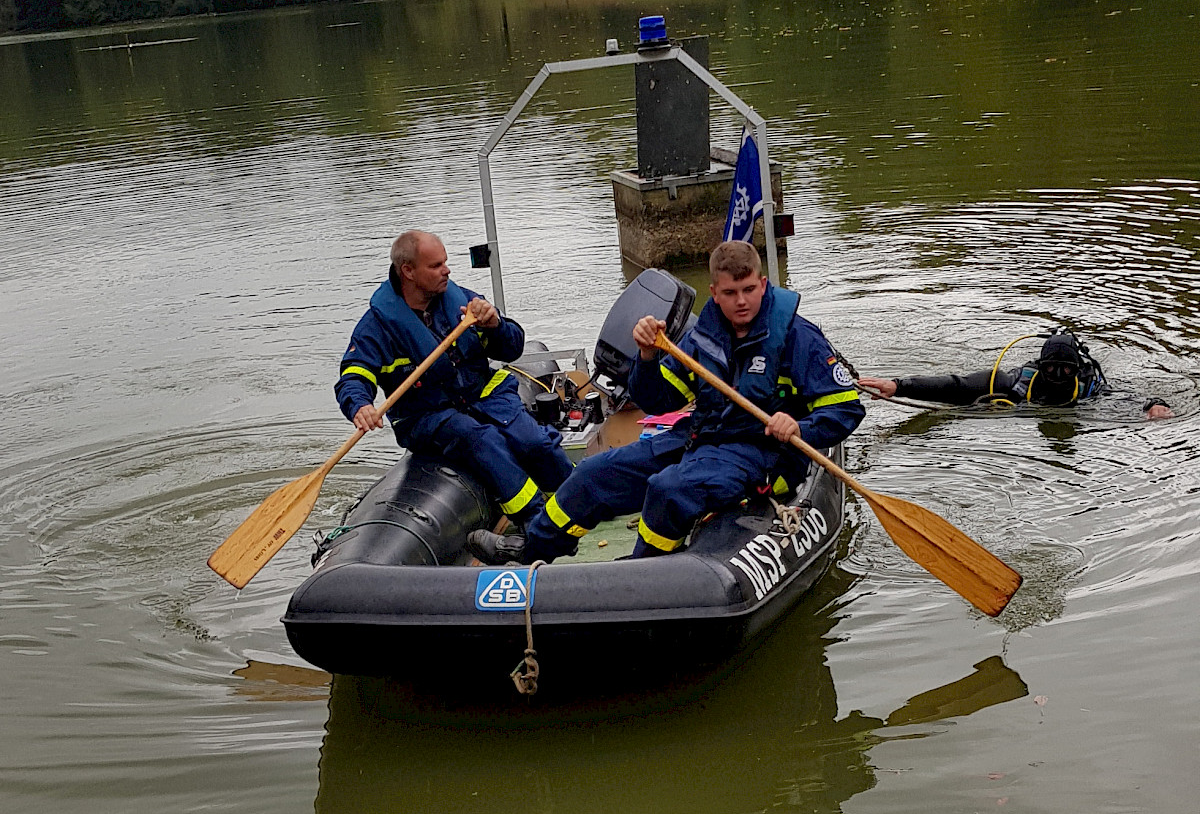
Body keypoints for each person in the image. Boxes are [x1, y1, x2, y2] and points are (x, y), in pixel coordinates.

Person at [468, 239, 864, 564]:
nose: (741, 301)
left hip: (764, 453)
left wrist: (800, 427)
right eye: (730, 293)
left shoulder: (797, 337)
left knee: (668, 489)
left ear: (763, 285)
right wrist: (646, 356)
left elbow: (847, 407)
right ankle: (531, 550)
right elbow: (657, 401)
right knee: (594, 473)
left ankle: (642, 572)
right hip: (700, 438)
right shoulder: (703, 336)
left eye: (749, 290)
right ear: (715, 293)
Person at [335, 229, 572, 524]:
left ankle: (575, 498)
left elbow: (512, 348)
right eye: (435, 266)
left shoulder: (462, 303)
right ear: (407, 271)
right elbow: (354, 375)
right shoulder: (378, 327)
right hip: (428, 414)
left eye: (445, 262)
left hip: (483, 395)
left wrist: (495, 324)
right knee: (482, 441)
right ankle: (537, 523)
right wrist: (360, 405)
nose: (446, 270)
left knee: (534, 442)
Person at [859, 328, 1174, 417]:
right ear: (1041, 367)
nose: (1060, 376)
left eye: (1068, 370)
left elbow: (1129, 399)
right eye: (1053, 368)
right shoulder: (1014, 383)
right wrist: (898, 386)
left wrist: (1154, 404)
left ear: (1077, 370)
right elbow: (955, 385)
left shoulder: (1090, 388)